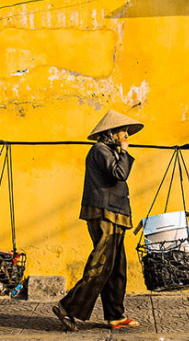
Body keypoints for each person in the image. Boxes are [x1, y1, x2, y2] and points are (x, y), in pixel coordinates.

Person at [53, 110, 144, 331]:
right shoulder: (101, 150)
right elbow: (120, 173)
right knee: (101, 265)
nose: (125, 136)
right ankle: (67, 307)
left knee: (116, 268)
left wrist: (120, 150)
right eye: (122, 132)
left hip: (116, 213)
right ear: (110, 133)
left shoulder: (109, 151)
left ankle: (115, 315)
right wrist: (123, 151)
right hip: (104, 213)